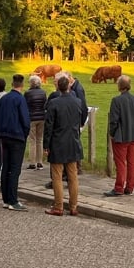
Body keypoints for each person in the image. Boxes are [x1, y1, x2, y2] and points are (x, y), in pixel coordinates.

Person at [43, 75, 87, 215]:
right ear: (69, 86)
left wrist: (46, 145)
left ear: (57, 87)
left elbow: (48, 126)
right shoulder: (78, 102)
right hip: (73, 141)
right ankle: (74, 206)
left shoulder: (54, 103)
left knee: (57, 176)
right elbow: (82, 117)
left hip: (57, 142)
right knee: (73, 176)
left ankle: (58, 206)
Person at [105, 75, 134, 197]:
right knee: (131, 161)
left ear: (119, 86)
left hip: (121, 136)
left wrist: (112, 134)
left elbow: (113, 121)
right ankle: (129, 187)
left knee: (120, 162)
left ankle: (119, 187)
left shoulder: (116, 101)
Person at [0, 74, 30, 211]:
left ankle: (6, 198)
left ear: (12, 84)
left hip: (4, 135)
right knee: (15, 169)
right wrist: (24, 134)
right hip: (17, 137)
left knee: (6, 167)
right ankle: (13, 199)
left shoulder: (3, 99)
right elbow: (25, 120)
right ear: (22, 85)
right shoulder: (20, 99)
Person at [24, 74, 47, 170]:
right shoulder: (43, 92)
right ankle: (40, 162)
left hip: (32, 118)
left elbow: (24, 105)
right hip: (42, 117)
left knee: (32, 140)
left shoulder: (27, 93)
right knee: (40, 139)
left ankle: (32, 162)